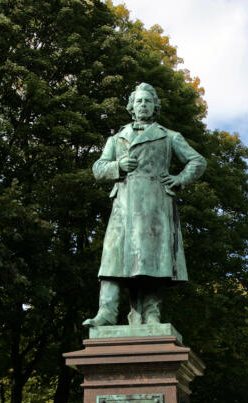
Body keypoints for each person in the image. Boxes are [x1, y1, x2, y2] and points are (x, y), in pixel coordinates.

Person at [84, 83, 207, 327]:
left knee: (152, 263)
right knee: (111, 261)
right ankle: (106, 313)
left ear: (154, 107)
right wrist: (118, 166)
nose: (143, 105)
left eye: (147, 101)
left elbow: (197, 161)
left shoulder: (169, 136)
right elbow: (98, 168)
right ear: (131, 107)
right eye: (139, 101)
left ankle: (151, 315)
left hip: (154, 208)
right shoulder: (117, 137)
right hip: (123, 207)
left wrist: (179, 179)